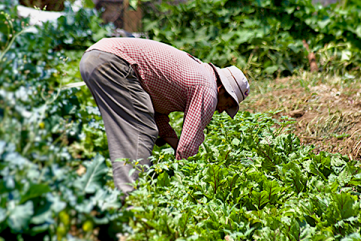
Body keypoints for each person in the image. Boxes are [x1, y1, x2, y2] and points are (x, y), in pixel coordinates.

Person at [79, 38, 250, 195]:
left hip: (96, 57)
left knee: (135, 130)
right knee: (140, 131)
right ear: (222, 89)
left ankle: (138, 194)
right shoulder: (208, 89)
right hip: (115, 63)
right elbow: (189, 148)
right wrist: (191, 184)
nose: (221, 111)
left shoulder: (197, 71)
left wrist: (173, 141)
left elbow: (154, 112)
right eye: (227, 105)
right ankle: (134, 203)